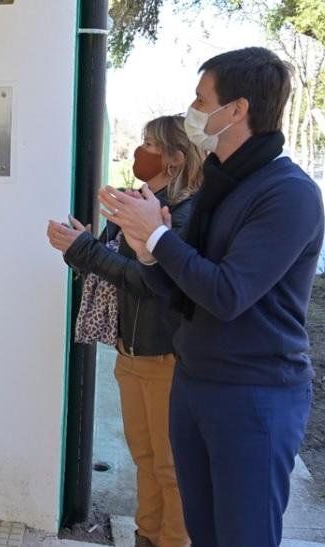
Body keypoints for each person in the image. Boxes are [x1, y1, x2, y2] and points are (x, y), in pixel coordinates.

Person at [100, 47, 324, 547]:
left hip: (255, 393)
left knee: (242, 535)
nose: (193, 109)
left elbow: (227, 294)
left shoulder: (288, 194)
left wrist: (158, 240)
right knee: (202, 531)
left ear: (237, 109)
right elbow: (177, 287)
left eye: (202, 99)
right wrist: (146, 249)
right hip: (196, 379)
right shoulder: (218, 188)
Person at [48, 115, 202, 547]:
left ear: (174, 158)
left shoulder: (187, 212)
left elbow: (153, 281)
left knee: (171, 467)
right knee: (145, 459)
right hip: (130, 351)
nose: (140, 151)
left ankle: (173, 539)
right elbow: (111, 267)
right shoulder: (138, 202)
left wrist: (89, 251)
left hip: (166, 355)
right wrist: (80, 246)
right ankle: (146, 535)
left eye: (150, 142)